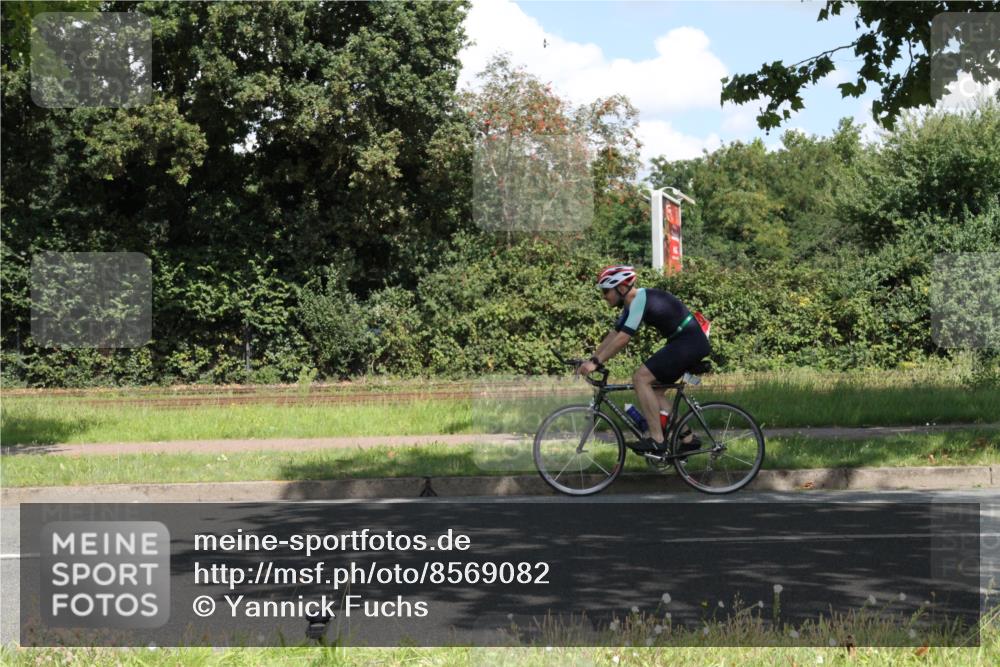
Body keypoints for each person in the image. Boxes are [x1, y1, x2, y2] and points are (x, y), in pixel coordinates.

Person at [577, 265, 711, 454]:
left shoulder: (640, 299)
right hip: (687, 342)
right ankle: (688, 439)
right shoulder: (631, 304)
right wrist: (593, 359)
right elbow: (614, 334)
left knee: (640, 378)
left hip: (688, 342)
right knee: (655, 392)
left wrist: (596, 363)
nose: (604, 296)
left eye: (606, 291)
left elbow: (624, 338)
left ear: (621, 288)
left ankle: (657, 439)